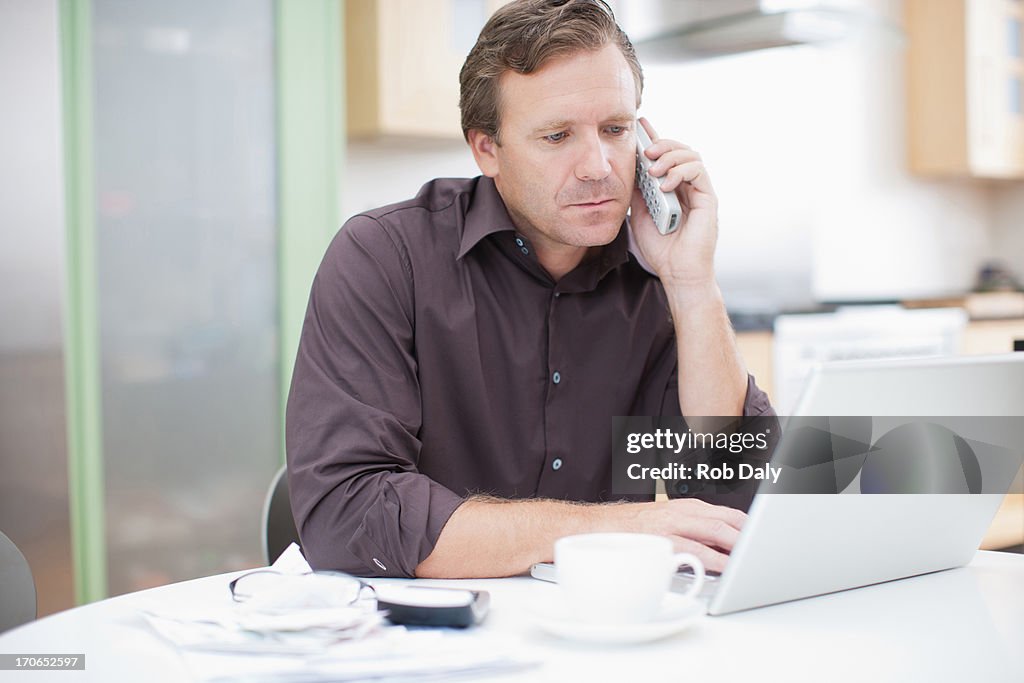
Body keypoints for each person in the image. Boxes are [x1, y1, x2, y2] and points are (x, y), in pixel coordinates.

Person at [285, 0, 774, 580]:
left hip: (606, 631)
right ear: (486, 149)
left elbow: (733, 497)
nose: (598, 166)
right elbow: (348, 517)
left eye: (615, 130)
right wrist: (607, 529)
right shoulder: (385, 258)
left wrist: (692, 285)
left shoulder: (658, 276)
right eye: (558, 136)